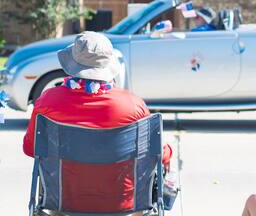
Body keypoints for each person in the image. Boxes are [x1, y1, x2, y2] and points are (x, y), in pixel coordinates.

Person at [23, 31, 172, 214]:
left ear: (72, 64)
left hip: (63, 203)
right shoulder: (133, 105)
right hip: (124, 206)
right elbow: (161, 155)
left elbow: (31, 148)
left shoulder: (48, 101)